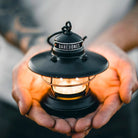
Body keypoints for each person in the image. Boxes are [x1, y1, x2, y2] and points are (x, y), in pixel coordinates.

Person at [0, 0, 138, 138]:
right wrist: (39, 48)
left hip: (115, 96)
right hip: (17, 103)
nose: (68, 78)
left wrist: (112, 43)